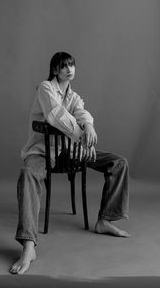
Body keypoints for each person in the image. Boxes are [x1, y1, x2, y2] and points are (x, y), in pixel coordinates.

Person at [10, 52, 130, 275]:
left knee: (118, 163)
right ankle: (28, 245)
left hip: (69, 152)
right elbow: (55, 115)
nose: (69, 69)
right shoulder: (45, 88)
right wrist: (83, 136)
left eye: (71, 65)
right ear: (55, 70)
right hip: (42, 152)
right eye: (63, 66)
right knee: (27, 174)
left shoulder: (73, 96)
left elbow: (81, 111)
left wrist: (89, 125)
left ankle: (104, 220)